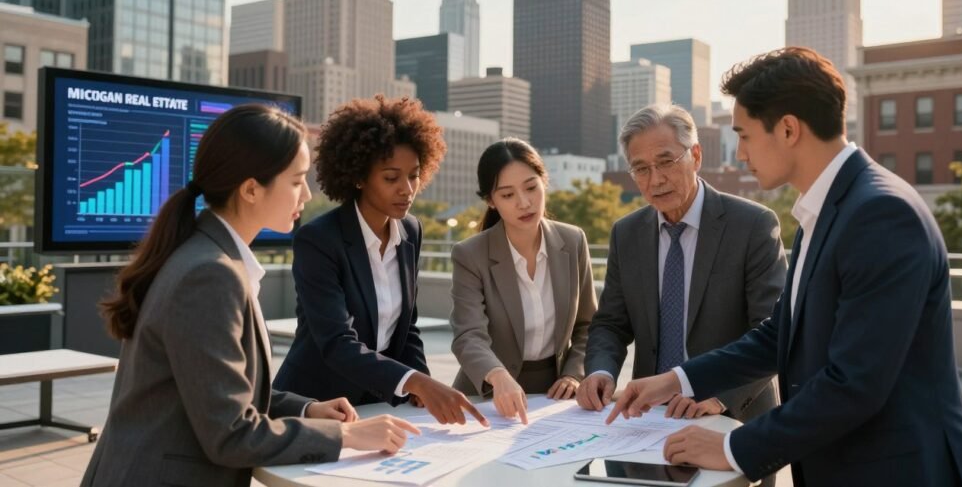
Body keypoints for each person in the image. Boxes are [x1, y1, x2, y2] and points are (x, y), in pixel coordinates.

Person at [608, 47, 962, 487]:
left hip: (900, 470)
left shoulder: (881, 213)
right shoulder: (821, 212)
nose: (741, 153)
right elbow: (780, 335)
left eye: (745, 136)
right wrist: (675, 380)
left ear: (787, 129)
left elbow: (854, 384)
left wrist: (732, 447)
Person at [83, 104, 418, 486]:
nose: (306, 195)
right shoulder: (210, 275)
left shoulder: (205, 255)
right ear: (250, 189)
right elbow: (229, 433)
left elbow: (218, 393)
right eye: (296, 181)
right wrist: (346, 436)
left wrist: (307, 409)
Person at [273, 95, 487, 427]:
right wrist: (416, 382)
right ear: (359, 176)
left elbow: (407, 327)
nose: (407, 189)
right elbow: (337, 343)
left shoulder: (411, 231)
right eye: (391, 178)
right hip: (317, 405)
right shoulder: (319, 240)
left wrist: (421, 386)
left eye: (414, 175)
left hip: (379, 403)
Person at [577, 103, 786, 428]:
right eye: (641, 169)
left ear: (697, 156)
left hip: (732, 417)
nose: (656, 179)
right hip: (646, 418)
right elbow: (611, 324)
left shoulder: (752, 225)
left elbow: (774, 328)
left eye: (666, 162)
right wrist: (600, 372)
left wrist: (719, 394)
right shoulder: (626, 233)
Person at [449, 138, 598, 423]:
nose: (524, 203)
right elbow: (469, 336)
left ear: (544, 182)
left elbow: (588, 325)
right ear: (491, 201)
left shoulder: (573, 240)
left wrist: (573, 373)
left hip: (556, 398)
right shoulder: (470, 255)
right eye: (507, 195)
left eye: (531, 187)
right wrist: (498, 376)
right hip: (487, 398)